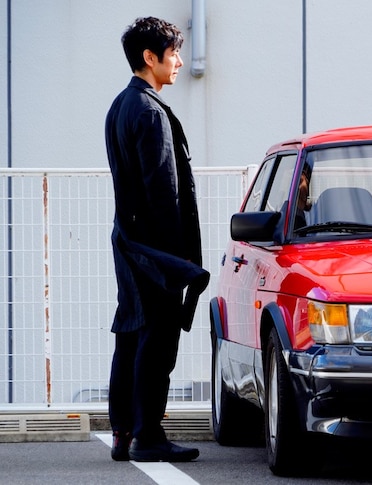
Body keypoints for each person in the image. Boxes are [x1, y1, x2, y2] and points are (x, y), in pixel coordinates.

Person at [105, 17, 209, 463]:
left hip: (130, 241)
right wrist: (177, 261)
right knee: (157, 338)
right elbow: (163, 192)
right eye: (174, 53)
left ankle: (124, 432)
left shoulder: (120, 106)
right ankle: (148, 435)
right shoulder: (149, 111)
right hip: (155, 249)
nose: (180, 62)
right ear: (151, 57)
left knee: (131, 332)